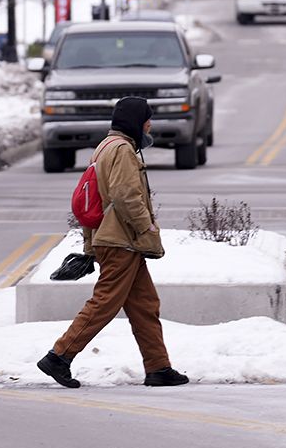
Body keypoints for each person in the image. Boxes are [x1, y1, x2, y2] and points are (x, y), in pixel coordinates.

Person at [37, 97, 189, 389]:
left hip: (118, 240)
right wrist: (146, 227)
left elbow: (92, 200)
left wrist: (91, 245)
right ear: (135, 121)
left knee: (145, 304)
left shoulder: (105, 147)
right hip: (123, 242)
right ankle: (59, 356)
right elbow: (125, 196)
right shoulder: (121, 150)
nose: (150, 125)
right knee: (104, 303)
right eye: (147, 120)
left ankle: (158, 368)